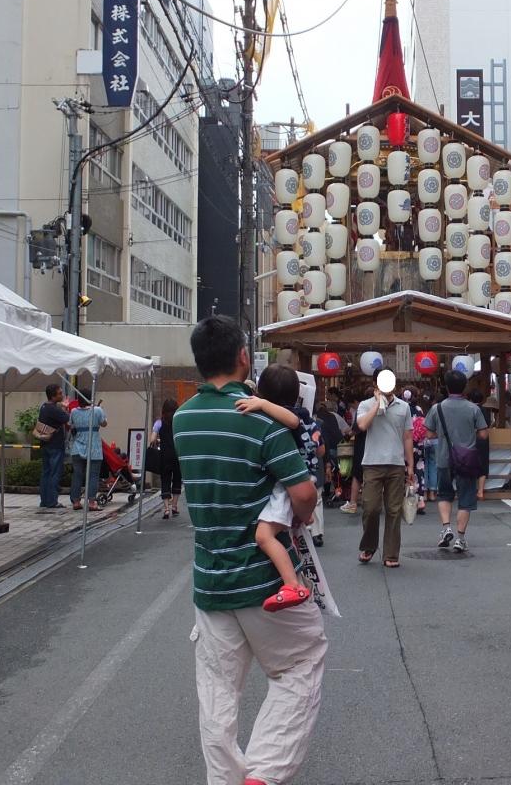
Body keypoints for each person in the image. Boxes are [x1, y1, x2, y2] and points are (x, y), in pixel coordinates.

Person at [172, 315, 324, 785]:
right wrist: (298, 517)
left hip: (210, 582)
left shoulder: (182, 419)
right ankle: (264, 772)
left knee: (217, 692)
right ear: (243, 357)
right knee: (300, 662)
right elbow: (303, 494)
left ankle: (226, 779)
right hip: (264, 579)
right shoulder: (260, 420)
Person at [235, 364, 323, 607]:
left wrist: (262, 405)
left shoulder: (289, 414)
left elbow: (292, 421)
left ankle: (292, 585)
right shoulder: (304, 415)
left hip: (290, 482)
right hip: (301, 479)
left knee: (264, 536)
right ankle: (305, 517)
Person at [355, 369, 414, 568]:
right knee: (371, 508)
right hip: (372, 463)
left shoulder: (403, 407)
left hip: (396, 463)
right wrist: (377, 404)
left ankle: (391, 554)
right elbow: (362, 425)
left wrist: (410, 465)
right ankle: (369, 546)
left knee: (394, 510)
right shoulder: (365, 405)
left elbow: (408, 437)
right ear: (375, 384)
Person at [425, 371, 489, 553]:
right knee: (466, 498)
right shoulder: (473, 409)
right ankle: (460, 539)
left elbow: (429, 433)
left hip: (444, 458)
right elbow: (484, 434)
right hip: (466, 459)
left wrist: (444, 435)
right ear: (464, 388)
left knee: (444, 494)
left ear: (446, 387)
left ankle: (446, 528)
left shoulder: (437, 408)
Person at [68, 393, 106, 511]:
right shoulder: (97, 410)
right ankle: (92, 502)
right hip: (94, 446)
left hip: (77, 446)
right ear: (91, 398)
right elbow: (104, 423)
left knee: (77, 474)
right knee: (93, 475)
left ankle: (76, 502)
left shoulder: (74, 411)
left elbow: (71, 425)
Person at [35, 385, 70, 509]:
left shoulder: (44, 407)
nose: (62, 395)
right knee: (54, 473)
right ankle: (52, 501)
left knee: (46, 472)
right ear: (53, 396)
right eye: (60, 393)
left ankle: (44, 500)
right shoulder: (53, 409)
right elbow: (67, 418)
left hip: (45, 443)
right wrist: (65, 407)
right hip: (55, 445)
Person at [152, 398, 181, 519]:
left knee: (165, 480)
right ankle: (174, 506)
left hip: (164, 456)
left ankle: (166, 509)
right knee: (177, 479)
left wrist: (159, 440)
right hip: (177, 454)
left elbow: (152, 439)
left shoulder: (159, 423)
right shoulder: (179, 422)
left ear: (163, 410)